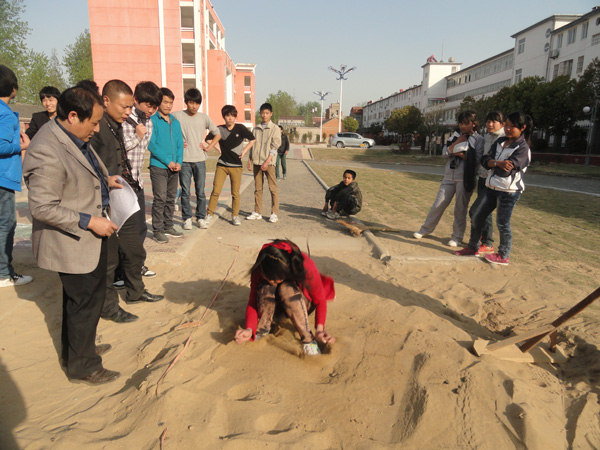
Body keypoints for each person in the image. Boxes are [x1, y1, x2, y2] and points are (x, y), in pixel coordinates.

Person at [23, 86, 121, 384]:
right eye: (94, 123)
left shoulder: (73, 136)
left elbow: (81, 172)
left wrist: (105, 179)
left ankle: (79, 349)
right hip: (73, 240)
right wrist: (89, 221)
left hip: (89, 236)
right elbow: (42, 207)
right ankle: (83, 366)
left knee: (84, 299)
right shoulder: (47, 148)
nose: (96, 129)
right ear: (74, 116)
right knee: (84, 302)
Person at [89, 79, 163, 323]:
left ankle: (135, 292)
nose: (128, 111)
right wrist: (104, 180)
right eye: (124, 107)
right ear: (106, 101)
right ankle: (108, 307)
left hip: (125, 193)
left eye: (130, 107)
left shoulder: (118, 125)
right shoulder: (96, 127)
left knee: (134, 248)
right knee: (109, 258)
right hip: (104, 200)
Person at [454, 112, 532, 265]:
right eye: (507, 125)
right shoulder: (500, 141)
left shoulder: (523, 148)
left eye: (512, 126)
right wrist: (497, 163)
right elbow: (485, 160)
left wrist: (494, 163)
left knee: (502, 223)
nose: (508, 129)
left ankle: (503, 255)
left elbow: (506, 171)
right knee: (476, 215)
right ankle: (473, 247)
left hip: (508, 192)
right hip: (491, 187)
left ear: (522, 128)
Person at [234, 239, 336, 355]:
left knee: (286, 288)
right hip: (276, 307)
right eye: (268, 278)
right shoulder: (260, 268)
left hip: (300, 304)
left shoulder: (305, 265)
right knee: (266, 287)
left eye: (276, 280)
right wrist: (249, 329)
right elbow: (252, 301)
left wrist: (319, 329)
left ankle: (308, 338)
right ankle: (263, 329)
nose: (272, 282)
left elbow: (320, 300)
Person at [413, 110, 484, 247]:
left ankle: (457, 237)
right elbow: (445, 153)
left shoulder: (479, 139)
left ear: (474, 124)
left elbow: (477, 160)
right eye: (460, 123)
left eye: (466, 123)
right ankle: (425, 229)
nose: (462, 126)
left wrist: (461, 155)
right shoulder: (455, 136)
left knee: (460, 209)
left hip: (465, 178)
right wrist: (456, 143)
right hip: (449, 176)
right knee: (438, 204)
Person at [0, 65, 32, 288]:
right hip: (2, 177)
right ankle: (3, 273)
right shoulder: (5, 114)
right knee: (6, 223)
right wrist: (22, 145)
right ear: (13, 88)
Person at [173, 88, 221, 230]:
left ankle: (200, 218)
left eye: (197, 103)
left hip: (200, 159)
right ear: (186, 102)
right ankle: (187, 218)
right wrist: (176, 143)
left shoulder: (204, 118)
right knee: (186, 192)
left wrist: (209, 146)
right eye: (191, 102)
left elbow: (217, 133)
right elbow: (166, 128)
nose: (194, 106)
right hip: (184, 160)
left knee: (200, 192)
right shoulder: (177, 116)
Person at [204, 105, 255, 226]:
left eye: (232, 115)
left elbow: (252, 139)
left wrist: (244, 151)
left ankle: (235, 216)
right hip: (222, 165)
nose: (230, 118)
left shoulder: (240, 128)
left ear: (235, 116)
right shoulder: (219, 129)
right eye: (227, 115)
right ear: (224, 116)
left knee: (235, 193)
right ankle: (209, 214)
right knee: (216, 191)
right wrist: (218, 148)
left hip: (236, 166)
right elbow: (208, 139)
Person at [467, 111, 505, 255]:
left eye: (494, 122)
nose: (490, 124)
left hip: (493, 180)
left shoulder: (503, 138)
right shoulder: (487, 137)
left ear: (502, 124)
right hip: (483, 177)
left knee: (477, 211)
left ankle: (486, 242)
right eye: (488, 121)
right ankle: (485, 241)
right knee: (484, 212)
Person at [148, 87, 183, 242]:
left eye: (171, 103)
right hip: (158, 167)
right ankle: (157, 230)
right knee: (160, 198)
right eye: (165, 102)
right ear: (158, 102)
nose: (168, 106)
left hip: (174, 168)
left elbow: (180, 144)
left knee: (170, 198)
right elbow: (152, 144)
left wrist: (179, 162)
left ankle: (168, 225)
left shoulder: (175, 122)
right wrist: (168, 161)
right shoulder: (152, 121)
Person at [246, 103, 281, 223]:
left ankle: (274, 213)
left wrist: (267, 161)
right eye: (262, 113)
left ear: (271, 114)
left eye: (267, 113)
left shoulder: (275, 129)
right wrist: (249, 159)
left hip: (269, 163)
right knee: (258, 188)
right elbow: (252, 145)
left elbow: (275, 147)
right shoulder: (255, 129)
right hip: (257, 161)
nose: (264, 115)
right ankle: (257, 211)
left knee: (272, 188)